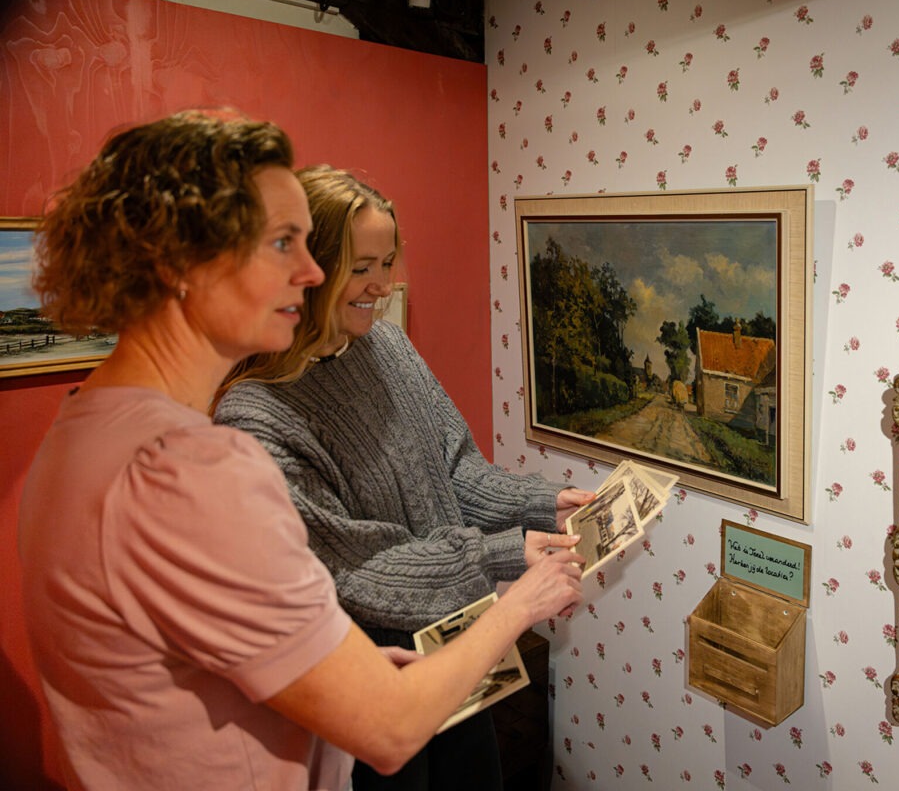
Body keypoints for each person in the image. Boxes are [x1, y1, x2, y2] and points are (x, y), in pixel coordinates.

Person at [18, 111, 584, 791]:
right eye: (283, 243)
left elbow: (244, 669)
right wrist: (521, 604)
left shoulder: (81, 427)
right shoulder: (190, 469)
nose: (312, 271)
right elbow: (390, 727)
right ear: (181, 263)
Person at [213, 165, 592, 791]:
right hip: (368, 683)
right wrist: (501, 554)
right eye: (362, 267)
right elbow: (355, 571)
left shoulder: (388, 346)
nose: (382, 285)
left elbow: (456, 471)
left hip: (455, 649)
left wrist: (544, 503)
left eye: (387, 262)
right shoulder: (256, 415)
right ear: (310, 266)